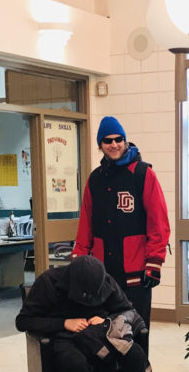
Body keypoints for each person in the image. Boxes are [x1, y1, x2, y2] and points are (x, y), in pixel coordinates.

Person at [72, 116, 170, 344]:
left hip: (137, 274)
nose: (114, 144)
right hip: (103, 273)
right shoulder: (94, 180)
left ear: (125, 141)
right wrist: (79, 257)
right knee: (104, 334)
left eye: (119, 139)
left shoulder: (143, 174)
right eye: (108, 140)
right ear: (100, 145)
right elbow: (85, 222)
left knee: (136, 334)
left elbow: (159, 222)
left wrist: (154, 262)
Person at [16, 255, 148, 372]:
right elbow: (23, 321)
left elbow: (127, 310)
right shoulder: (48, 282)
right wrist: (64, 323)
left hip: (101, 334)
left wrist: (107, 321)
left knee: (136, 355)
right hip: (63, 338)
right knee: (76, 364)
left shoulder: (106, 281)